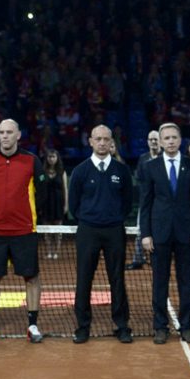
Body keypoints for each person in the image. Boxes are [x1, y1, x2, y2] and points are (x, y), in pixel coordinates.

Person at [0, 118, 47, 344]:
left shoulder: (31, 160)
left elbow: (41, 191)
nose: (5, 136)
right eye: (1, 132)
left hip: (24, 230)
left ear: (18, 135)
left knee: (31, 277)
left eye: (9, 132)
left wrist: (29, 216)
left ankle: (33, 326)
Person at [139, 122, 190, 344]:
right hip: (159, 234)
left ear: (180, 139)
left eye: (174, 137)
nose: (170, 141)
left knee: (186, 282)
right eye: (166, 138)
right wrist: (145, 234)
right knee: (160, 282)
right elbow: (145, 203)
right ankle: (160, 327)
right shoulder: (150, 166)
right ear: (160, 141)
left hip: (186, 234)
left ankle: (187, 327)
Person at [68, 125, 133, 344]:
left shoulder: (121, 171)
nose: (103, 143)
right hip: (88, 231)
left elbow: (127, 203)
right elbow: (74, 205)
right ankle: (83, 326)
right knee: (84, 279)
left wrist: (114, 218)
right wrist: (90, 219)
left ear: (111, 142)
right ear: (91, 141)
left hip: (115, 230)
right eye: (98, 139)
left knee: (117, 279)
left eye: (106, 139)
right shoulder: (80, 171)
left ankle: (122, 325)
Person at [126, 130, 161, 270]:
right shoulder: (143, 158)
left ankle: (157, 259)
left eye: (155, 139)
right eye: (151, 139)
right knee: (140, 231)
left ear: (160, 141)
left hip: (160, 202)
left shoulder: (164, 157)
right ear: (147, 142)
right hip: (146, 202)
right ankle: (138, 259)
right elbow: (139, 178)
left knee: (160, 232)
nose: (153, 142)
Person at [39, 149, 69, 259]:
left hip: (58, 203)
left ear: (57, 158)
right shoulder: (42, 173)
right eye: (49, 157)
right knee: (46, 230)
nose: (51, 159)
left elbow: (65, 189)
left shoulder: (62, 173)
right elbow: (40, 187)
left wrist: (66, 205)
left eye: (53, 157)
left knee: (58, 230)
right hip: (46, 204)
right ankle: (49, 251)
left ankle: (56, 251)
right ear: (47, 159)